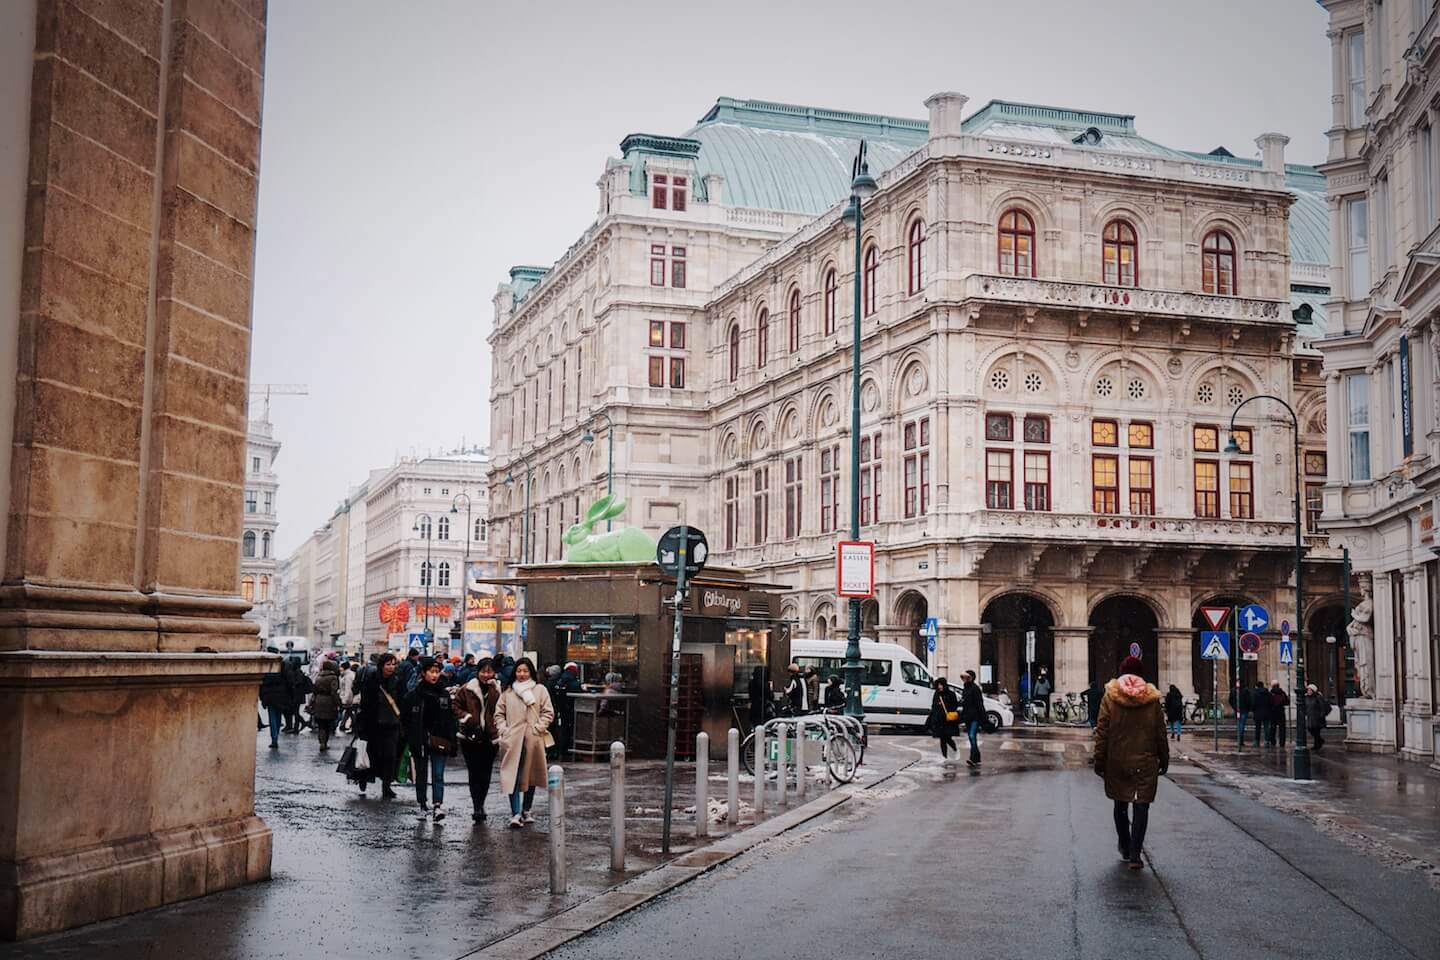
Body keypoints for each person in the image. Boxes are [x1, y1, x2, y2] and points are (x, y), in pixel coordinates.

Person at [1094, 655, 1169, 871]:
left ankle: (1125, 846)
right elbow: (1160, 733)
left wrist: (1099, 760)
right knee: (1141, 806)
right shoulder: (1152, 699)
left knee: (1120, 804)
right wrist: (1164, 759)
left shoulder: (1110, 697)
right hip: (1145, 761)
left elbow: (1102, 732)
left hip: (1117, 760)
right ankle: (1136, 854)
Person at [496, 657, 555, 828]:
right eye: (519, 671)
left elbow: (548, 712)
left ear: (531, 672)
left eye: (525, 671)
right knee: (512, 776)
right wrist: (504, 730)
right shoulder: (508, 692)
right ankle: (515, 813)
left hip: (533, 739)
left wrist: (538, 728)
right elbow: (499, 713)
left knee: (531, 776)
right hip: (512, 740)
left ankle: (526, 809)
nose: (522, 674)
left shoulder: (540, 690)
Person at [404, 656, 457, 822]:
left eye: (437, 672)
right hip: (419, 740)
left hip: (439, 739)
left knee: (438, 774)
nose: (434, 675)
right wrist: (410, 738)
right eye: (431, 672)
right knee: (421, 774)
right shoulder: (414, 695)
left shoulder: (444, 694)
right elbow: (405, 720)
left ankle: (437, 805)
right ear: (423, 673)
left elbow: (450, 718)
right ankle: (422, 804)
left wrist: (452, 740)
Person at [453, 657, 501, 822]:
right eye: (483, 671)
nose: (486, 675)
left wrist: (497, 727)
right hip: (470, 737)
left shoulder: (497, 690)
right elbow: (455, 706)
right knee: (474, 773)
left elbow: (502, 710)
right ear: (478, 672)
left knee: (485, 773)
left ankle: (481, 803)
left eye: (490, 671)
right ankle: (477, 806)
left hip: (490, 737)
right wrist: (467, 718)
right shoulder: (468, 689)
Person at [355, 653, 402, 799]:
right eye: (388, 664)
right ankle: (363, 777)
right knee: (372, 753)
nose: (391, 667)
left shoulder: (397, 681)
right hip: (374, 724)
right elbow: (365, 704)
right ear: (382, 665)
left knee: (390, 755)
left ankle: (386, 786)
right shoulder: (372, 680)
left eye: (393, 664)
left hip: (392, 724)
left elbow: (402, 701)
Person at [309, 658, 342, 751]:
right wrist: (338, 703)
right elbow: (334, 692)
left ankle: (321, 741)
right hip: (329, 702)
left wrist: (312, 702)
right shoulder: (333, 678)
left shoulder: (319, 677)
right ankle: (325, 742)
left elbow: (314, 691)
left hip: (319, 701)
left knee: (321, 724)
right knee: (327, 724)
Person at [927, 677, 960, 761]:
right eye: (938, 685)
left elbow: (955, 705)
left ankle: (955, 749)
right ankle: (944, 757)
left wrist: (948, 711)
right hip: (939, 720)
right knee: (942, 739)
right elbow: (933, 706)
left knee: (947, 738)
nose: (939, 686)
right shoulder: (937, 694)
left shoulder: (951, 694)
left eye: (941, 685)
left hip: (948, 720)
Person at [259, 664, 290, 749]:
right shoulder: (282, 670)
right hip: (280, 697)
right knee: (278, 716)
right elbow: (287, 683)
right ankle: (276, 736)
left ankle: (274, 738)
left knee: (272, 717)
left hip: (269, 698)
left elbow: (261, 685)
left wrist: (262, 698)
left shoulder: (266, 671)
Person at [959, 670, 986, 767]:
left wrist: (983, 717)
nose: (964, 679)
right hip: (967, 717)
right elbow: (965, 703)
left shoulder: (975, 689)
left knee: (971, 736)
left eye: (967, 677)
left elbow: (980, 704)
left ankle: (973, 758)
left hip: (975, 717)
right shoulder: (965, 689)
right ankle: (977, 757)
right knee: (972, 738)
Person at [554, 662, 581, 755]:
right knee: (571, 729)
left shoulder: (560, 681)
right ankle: (568, 749)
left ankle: (561, 750)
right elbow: (578, 693)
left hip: (561, 708)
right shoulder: (574, 682)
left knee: (563, 728)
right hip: (572, 708)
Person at [280, 657, 311, 734]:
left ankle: (302, 723)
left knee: (295, 712)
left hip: (297, 695)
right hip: (298, 695)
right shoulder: (298, 671)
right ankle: (296, 728)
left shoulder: (296, 672)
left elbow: (295, 684)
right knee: (295, 711)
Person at [1305, 683, 1330, 751]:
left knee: (1316, 731)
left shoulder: (1318, 697)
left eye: (1310, 690)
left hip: (1317, 717)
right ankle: (1320, 741)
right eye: (1308, 690)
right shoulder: (1306, 697)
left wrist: (1321, 715)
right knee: (1310, 729)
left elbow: (1322, 707)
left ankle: (1316, 745)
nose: (1309, 691)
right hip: (1310, 716)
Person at [1230, 680, 1253, 748]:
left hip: (1237, 710)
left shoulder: (1233, 690)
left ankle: (1240, 739)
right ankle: (1240, 739)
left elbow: (1230, 700)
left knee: (1239, 723)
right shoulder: (1246, 690)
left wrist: (1234, 707)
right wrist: (1248, 708)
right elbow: (1249, 700)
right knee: (1242, 724)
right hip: (1244, 710)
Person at [338, 661, 358, 733]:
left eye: (340, 667)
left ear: (343, 668)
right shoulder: (347, 675)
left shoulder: (348, 676)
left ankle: (355, 726)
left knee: (350, 712)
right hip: (349, 697)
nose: (339, 668)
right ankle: (343, 725)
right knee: (348, 711)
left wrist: (345, 700)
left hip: (348, 698)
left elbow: (348, 689)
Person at [1268, 682, 1290, 746]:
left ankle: (1273, 742)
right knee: (1282, 728)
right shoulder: (1282, 693)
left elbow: (1268, 703)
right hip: (1281, 712)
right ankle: (1282, 742)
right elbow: (1287, 702)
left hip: (1272, 712)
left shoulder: (1270, 693)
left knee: (1272, 728)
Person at [1250, 680, 1269, 747]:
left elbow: (1253, 703)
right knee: (1266, 727)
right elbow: (1270, 701)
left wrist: (1252, 709)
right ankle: (1267, 741)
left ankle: (1257, 742)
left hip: (1257, 712)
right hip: (1266, 712)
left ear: (1256, 686)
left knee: (1257, 728)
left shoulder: (1255, 693)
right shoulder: (1267, 692)